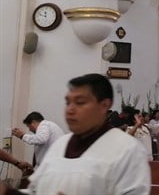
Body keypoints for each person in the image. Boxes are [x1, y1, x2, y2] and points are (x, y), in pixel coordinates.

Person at [21, 73, 149, 194]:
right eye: (68, 102)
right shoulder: (60, 144)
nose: (70, 109)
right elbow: (35, 191)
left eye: (80, 102)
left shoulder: (127, 149)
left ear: (104, 105)